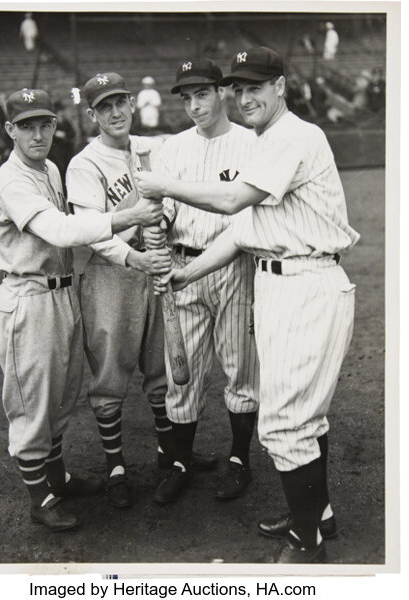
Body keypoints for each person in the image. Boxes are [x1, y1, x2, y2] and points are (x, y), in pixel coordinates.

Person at [135, 47, 360, 563]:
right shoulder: (267, 140)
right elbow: (242, 230)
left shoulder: (293, 136)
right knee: (305, 418)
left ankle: (307, 546)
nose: (245, 96)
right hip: (279, 283)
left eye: (256, 86)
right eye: (239, 87)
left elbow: (232, 202)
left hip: (307, 283)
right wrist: (183, 273)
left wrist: (162, 183)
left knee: (284, 423)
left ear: (281, 86)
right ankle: (316, 516)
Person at [0, 88, 163, 532]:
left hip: (60, 292)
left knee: (61, 396)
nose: (38, 133)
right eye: (26, 126)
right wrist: (127, 217)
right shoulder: (10, 180)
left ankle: (57, 477)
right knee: (33, 403)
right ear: (10, 130)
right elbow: (62, 231)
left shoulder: (47, 167)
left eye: (44, 123)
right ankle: (39, 498)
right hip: (27, 297)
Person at [66, 72, 214, 510]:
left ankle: (171, 455)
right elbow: (92, 231)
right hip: (113, 274)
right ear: (92, 115)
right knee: (111, 375)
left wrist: (161, 230)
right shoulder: (84, 164)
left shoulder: (152, 148)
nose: (114, 113)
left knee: (161, 370)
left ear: (132, 103)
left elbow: (179, 173)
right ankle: (116, 468)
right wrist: (134, 258)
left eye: (119, 103)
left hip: (155, 268)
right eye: (103, 107)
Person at [143, 58, 259, 506]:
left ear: (223, 92)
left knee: (240, 367)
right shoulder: (172, 147)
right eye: (186, 97)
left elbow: (245, 217)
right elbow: (163, 209)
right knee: (182, 373)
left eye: (202, 93)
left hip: (233, 265)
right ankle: (180, 461)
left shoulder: (251, 144)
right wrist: (158, 221)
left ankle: (239, 460)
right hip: (181, 267)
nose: (194, 105)